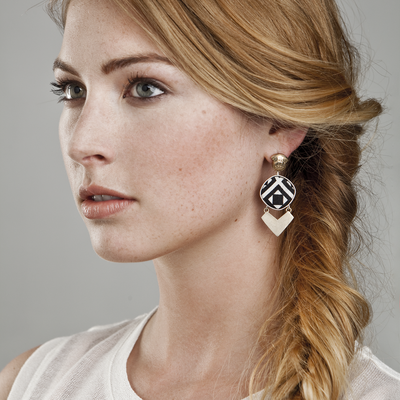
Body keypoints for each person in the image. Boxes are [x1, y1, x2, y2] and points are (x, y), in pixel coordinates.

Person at [1, 0, 399, 399]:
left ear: (279, 124)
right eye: (73, 90)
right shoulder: (32, 384)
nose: (81, 144)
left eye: (145, 88)